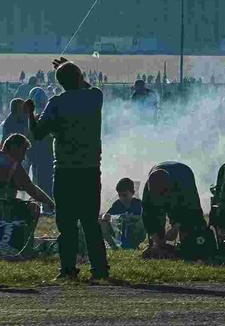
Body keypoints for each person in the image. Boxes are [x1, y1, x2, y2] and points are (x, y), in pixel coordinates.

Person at [28, 59, 108, 281]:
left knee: (66, 224)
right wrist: (75, 73)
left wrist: (30, 114)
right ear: (80, 78)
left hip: (65, 170)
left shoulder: (56, 103)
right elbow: (88, 87)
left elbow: (37, 133)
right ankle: (100, 269)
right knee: (91, 223)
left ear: (61, 83)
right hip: (91, 169)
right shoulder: (95, 97)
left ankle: (68, 270)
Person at [141, 162, 214, 260]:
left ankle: (196, 240)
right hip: (164, 178)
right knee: (155, 217)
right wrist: (156, 239)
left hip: (183, 173)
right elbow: (148, 215)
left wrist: (176, 227)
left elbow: (190, 209)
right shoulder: (148, 190)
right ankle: (157, 245)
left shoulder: (184, 186)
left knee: (191, 228)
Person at [0, 133, 52, 255]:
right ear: (14, 148)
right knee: (33, 208)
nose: (24, 157)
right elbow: (32, 190)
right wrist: (50, 202)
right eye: (23, 151)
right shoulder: (12, 164)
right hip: (3, 208)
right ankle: (23, 248)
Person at [100, 177, 146, 250]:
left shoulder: (137, 203)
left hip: (134, 231)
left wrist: (130, 218)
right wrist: (104, 216)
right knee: (103, 223)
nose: (122, 198)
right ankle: (114, 247)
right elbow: (108, 215)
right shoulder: (117, 204)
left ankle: (134, 245)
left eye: (124, 195)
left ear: (133, 193)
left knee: (140, 222)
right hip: (119, 233)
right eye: (119, 195)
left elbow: (142, 218)